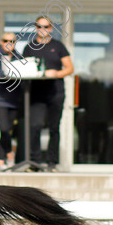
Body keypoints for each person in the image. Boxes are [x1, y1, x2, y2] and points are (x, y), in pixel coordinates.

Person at [22, 16, 74, 172]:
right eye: (39, 26)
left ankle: (52, 163)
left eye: (45, 26)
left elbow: (70, 68)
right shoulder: (29, 47)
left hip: (55, 92)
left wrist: (56, 73)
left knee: (54, 128)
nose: (42, 29)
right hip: (37, 93)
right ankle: (35, 163)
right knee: (35, 126)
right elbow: (24, 69)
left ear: (51, 28)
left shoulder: (58, 46)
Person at [0, 32, 23, 171]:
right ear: (1, 42)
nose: (9, 43)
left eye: (12, 41)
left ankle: (1, 160)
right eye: (5, 40)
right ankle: (8, 155)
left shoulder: (18, 57)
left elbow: (24, 72)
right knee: (4, 129)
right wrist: (13, 74)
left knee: (7, 130)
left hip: (14, 100)